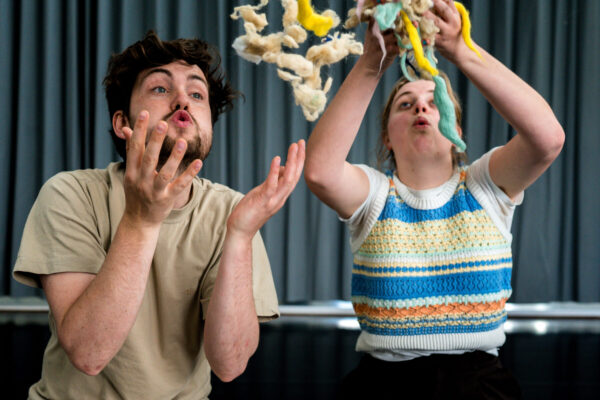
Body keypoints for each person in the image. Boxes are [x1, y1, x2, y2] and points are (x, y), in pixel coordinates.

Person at [13, 30, 305, 399]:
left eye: (197, 94)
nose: (183, 99)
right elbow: (88, 354)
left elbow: (229, 365)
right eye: (160, 88)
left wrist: (240, 236)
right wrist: (142, 220)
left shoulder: (232, 212)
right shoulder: (71, 194)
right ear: (123, 122)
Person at [304, 1, 564, 398]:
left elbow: (548, 139)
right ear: (387, 136)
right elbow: (320, 172)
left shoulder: (483, 186)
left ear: (456, 129)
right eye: (405, 104)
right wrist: (373, 61)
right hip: (382, 386)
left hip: (480, 386)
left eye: (433, 100)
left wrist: (461, 49)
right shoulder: (375, 195)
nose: (421, 107)